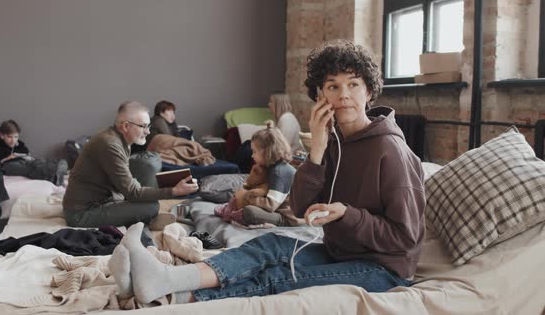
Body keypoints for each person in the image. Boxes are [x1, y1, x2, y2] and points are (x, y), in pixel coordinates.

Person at [108, 40, 425, 305]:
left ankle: (170, 297)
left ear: (369, 92)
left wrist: (347, 214)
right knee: (269, 246)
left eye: (354, 84)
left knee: (278, 275)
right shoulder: (333, 144)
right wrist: (316, 149)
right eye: (333, 86)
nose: (344, 95)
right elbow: (299, 208)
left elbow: (405, 238)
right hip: (342, 252)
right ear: (320, 96)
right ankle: (166, 279)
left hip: (385, 268)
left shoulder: (390, 151)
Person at [62, 101, 198, 228]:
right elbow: (133, 193)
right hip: (81, 213)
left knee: (145, 172)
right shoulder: (110, 145)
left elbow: (126, 185)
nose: (148, 132)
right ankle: (146, 220)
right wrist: (174, 191)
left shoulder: (119, 139)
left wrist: (172, 183)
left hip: (105, 198)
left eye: (148, 126)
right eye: (143, 126)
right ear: (126, 126)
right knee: (151, 206)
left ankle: (143, 218)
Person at [214, 125, 302, 227]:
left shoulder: (279, 172)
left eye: (255, 152)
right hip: (278, 209)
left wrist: (247, 197)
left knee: (249, 212)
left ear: (268, 151)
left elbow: (270, 205)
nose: (252, 155)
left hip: (287, 217)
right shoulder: (271, 166)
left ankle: (235, 213)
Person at [0, 120, 67, 186]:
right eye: (9, 137)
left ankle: (56, 171)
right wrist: (8, 158)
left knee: (37, 162)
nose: (13, 140)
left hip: (24, 161)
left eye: (15, 137)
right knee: (28, 169)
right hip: (8, 165)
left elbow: (27, 154)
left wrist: (28, 157)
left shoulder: (20, 145)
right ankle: (55, 176)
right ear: (2, 136)